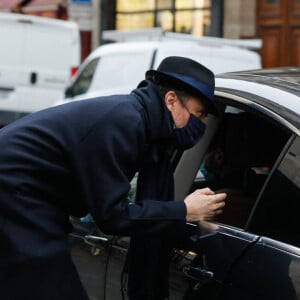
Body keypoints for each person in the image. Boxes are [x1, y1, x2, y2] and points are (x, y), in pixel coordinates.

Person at [0, 56, 226, 299]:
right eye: (199, 114)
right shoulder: (125, 123)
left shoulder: (140, 120)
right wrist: (184, 210)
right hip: (15, 193)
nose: (201, 124)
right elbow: (112, 215)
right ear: (171, 101)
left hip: (28, 196)